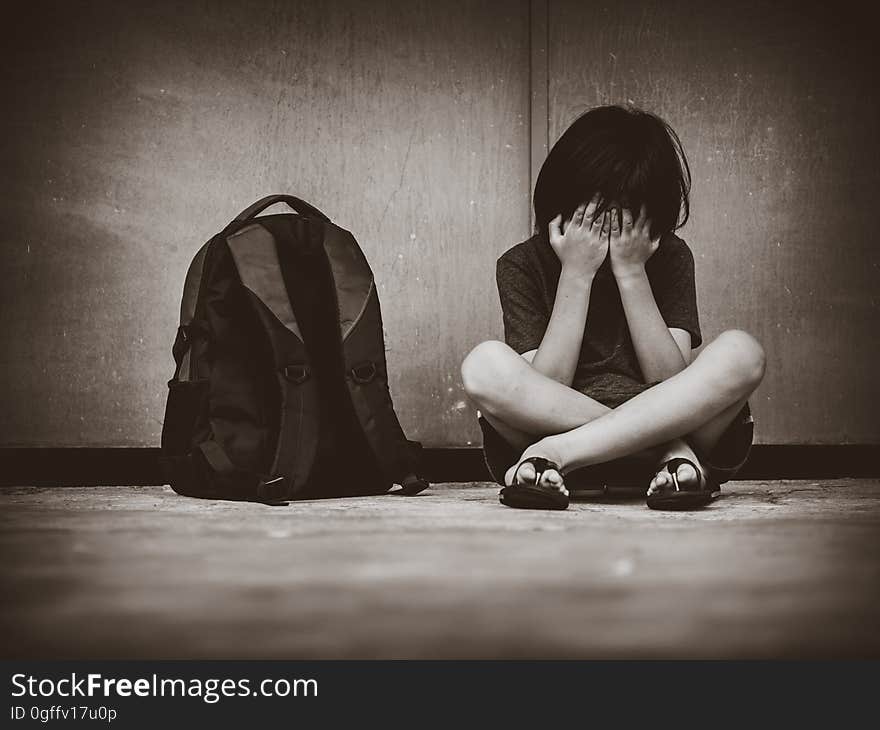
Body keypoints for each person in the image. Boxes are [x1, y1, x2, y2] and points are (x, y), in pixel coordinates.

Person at [461, 105, 765, 510]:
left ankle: (567, 453)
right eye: (594, 207)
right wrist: (576, 272)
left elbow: (667, 378)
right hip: (573, 424)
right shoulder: (522, 264)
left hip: (584, 439)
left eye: (625, 210)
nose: (607, 223)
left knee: (743, 352)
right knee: (483, 365)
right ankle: (664, 454)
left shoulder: (669, 256)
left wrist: (632, 272)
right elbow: (547, 382)